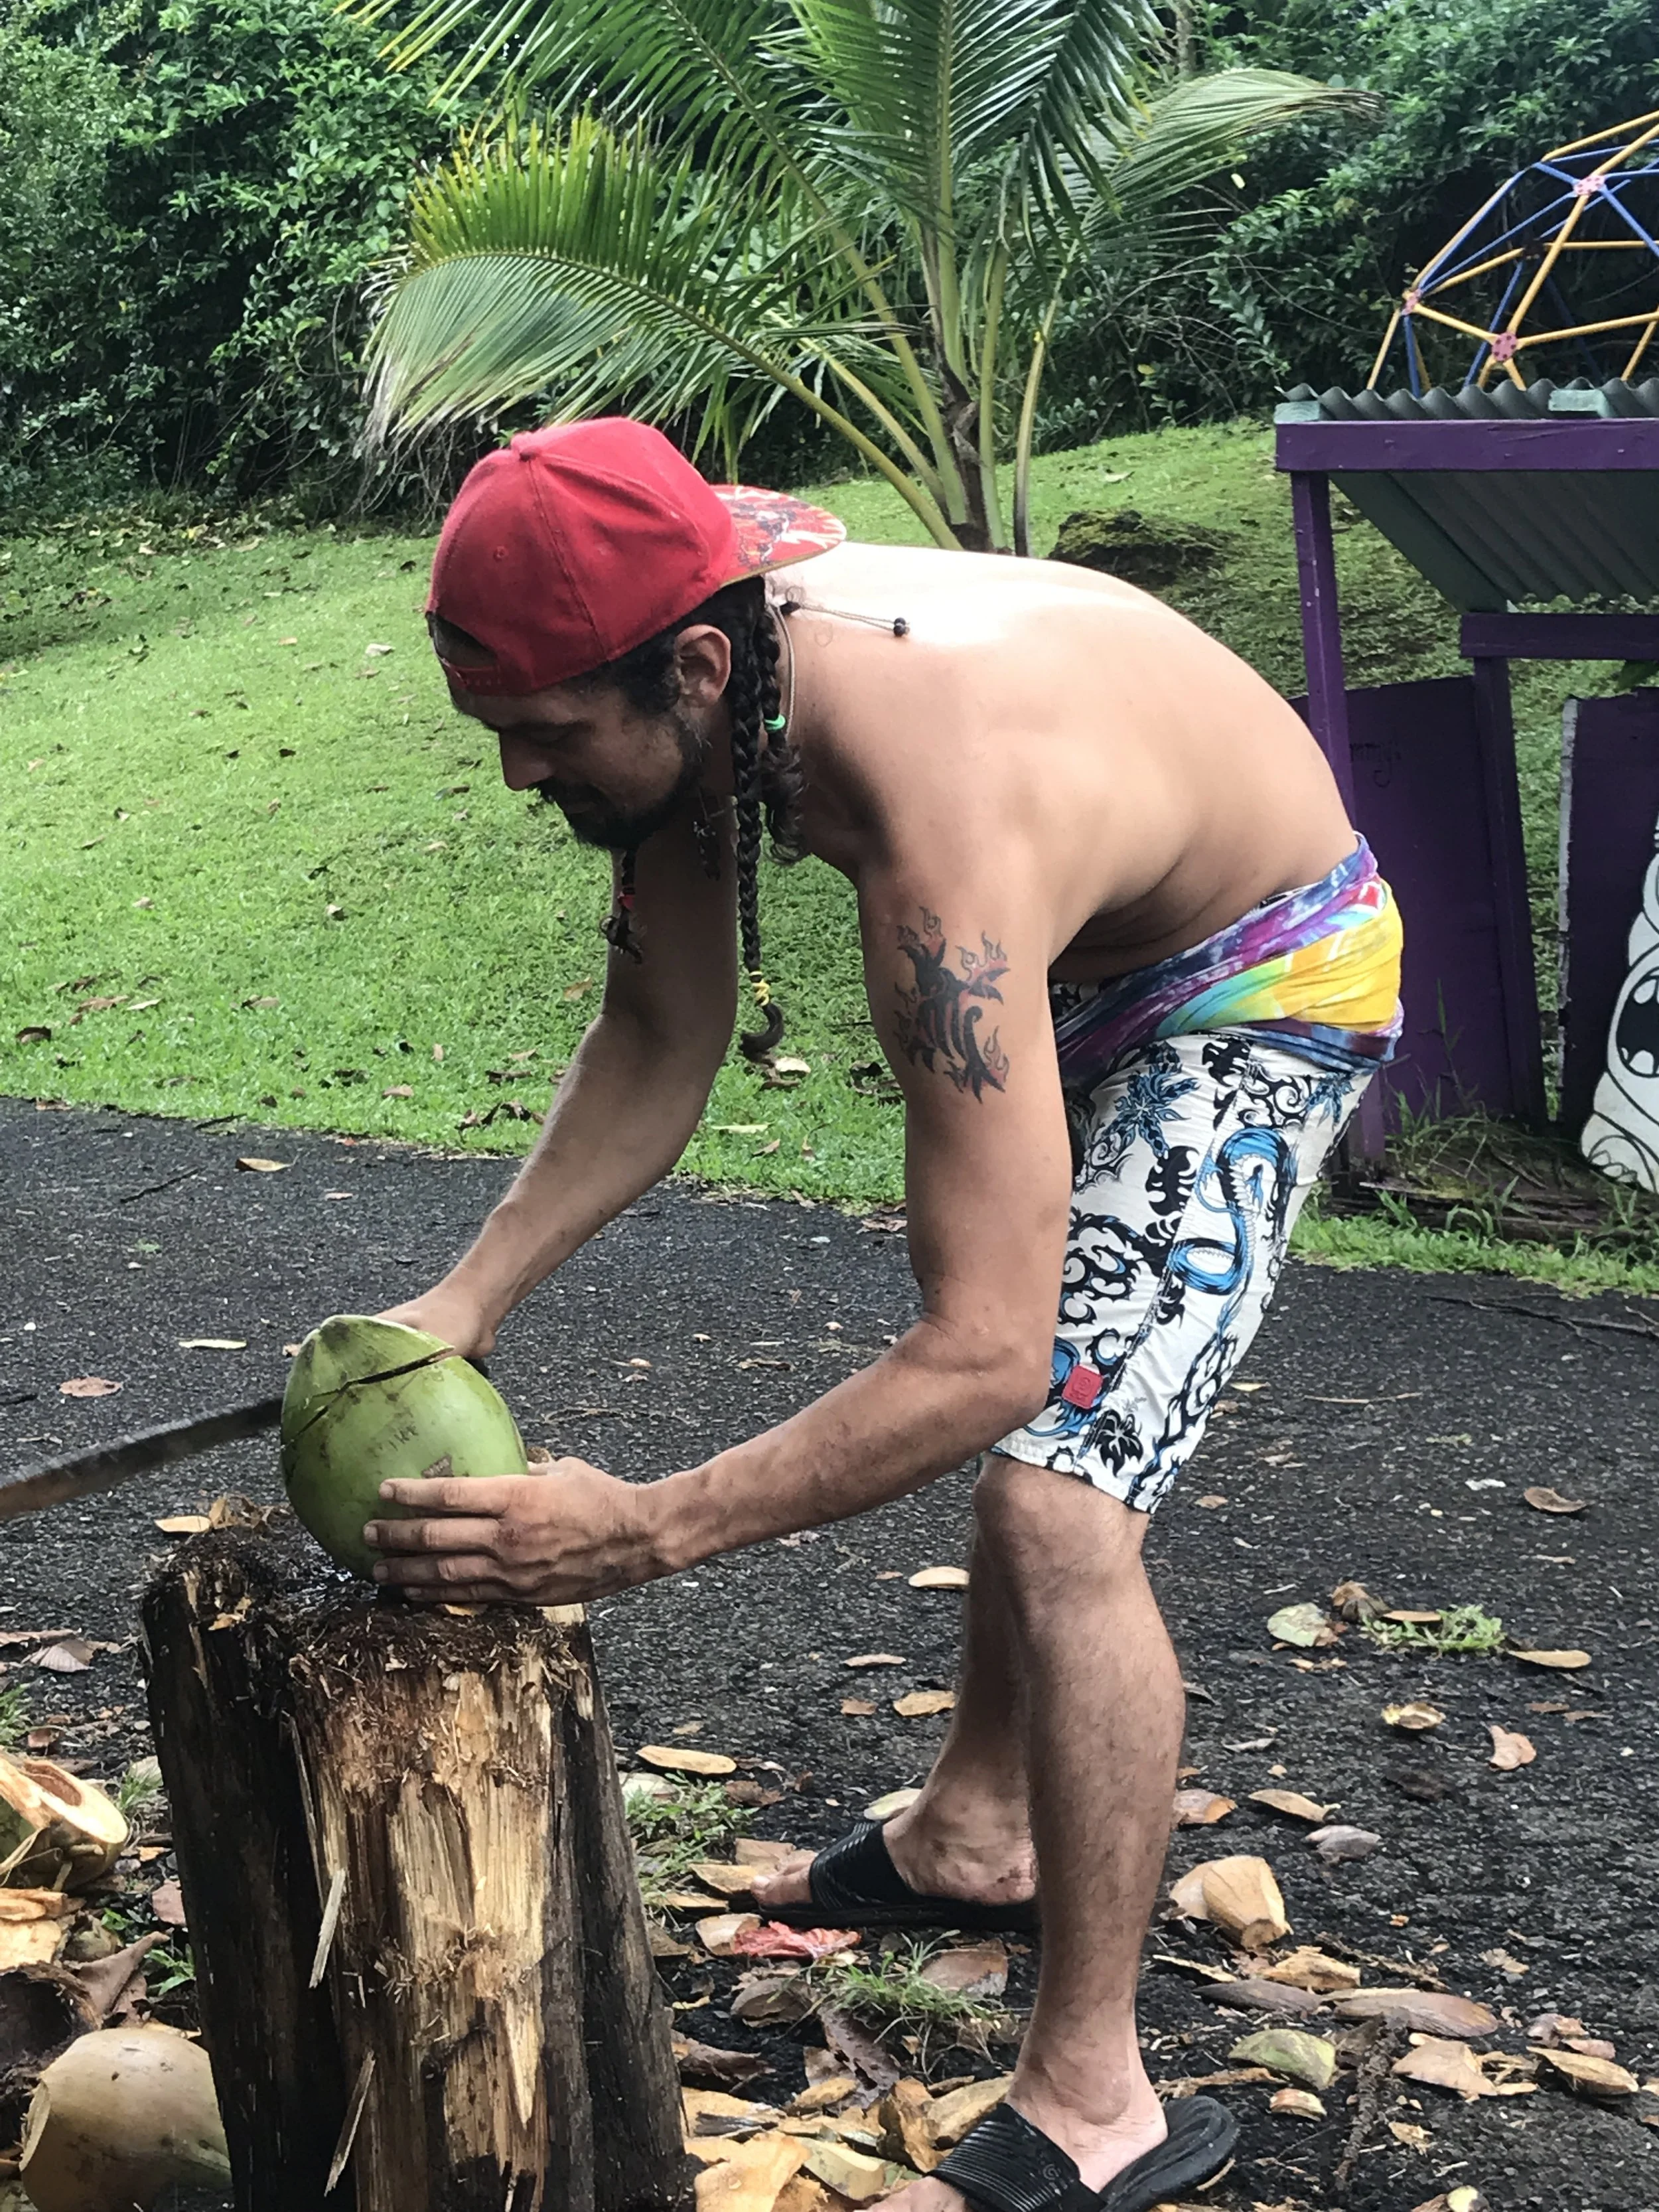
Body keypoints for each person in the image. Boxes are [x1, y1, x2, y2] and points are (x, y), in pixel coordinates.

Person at [368, 418, 1403, 2212]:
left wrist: (647, 1527)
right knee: (1033, 1412)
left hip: (1258, 969)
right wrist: (461, 1302)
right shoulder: (707, 662)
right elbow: (654, 1030)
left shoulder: (929, 799)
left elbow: (984, 1350)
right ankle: (974, 1828)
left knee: (1053, 1486)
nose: (523, 777)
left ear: (694, 665)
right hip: (1077, 942)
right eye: (497, 732)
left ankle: (1096, 2097)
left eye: (550, 733)